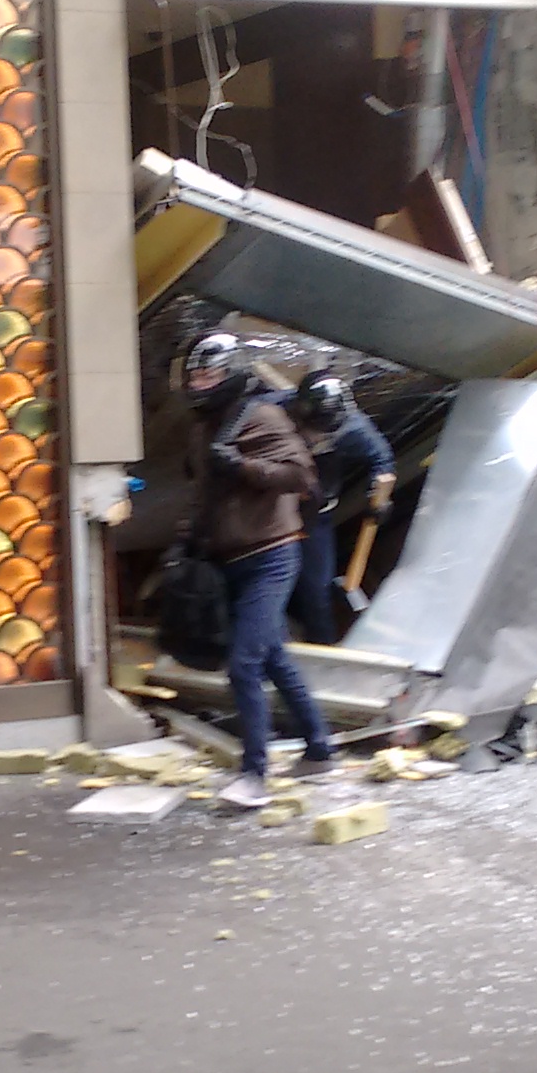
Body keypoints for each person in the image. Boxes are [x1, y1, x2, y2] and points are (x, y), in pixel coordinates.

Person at [182, 332, 338, 809]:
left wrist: (243, 467)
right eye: (195, 376)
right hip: (226, 559)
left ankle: (254, 775)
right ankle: (319, 750)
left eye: (208, 375)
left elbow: (301, 476)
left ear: (230, 374)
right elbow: (204, 492)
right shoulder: (202, 429)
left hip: (271, 555)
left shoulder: (262, 416)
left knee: (244, 664)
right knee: (272, 658)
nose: (200, 384)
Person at [287, 372, 394, 643]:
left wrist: (379, 497)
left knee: (316, 590)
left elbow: (381, 459)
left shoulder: (353, 428)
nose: (316, 438)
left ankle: (322, 648)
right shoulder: (279, 407)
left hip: (315, 518)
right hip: (271, 509)